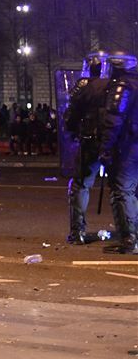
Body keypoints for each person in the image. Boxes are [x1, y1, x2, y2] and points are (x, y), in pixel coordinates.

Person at [64, 52, 110, 245]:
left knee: (80, 185)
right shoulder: (118, 85)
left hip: (90, 140)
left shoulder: (84, 87)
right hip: (115, 141)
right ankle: (130, 234)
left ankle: (78, 232)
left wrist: (72, 130)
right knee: (125, 188)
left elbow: (71, 114)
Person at [98, 52, 138, 254]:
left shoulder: (123, 86)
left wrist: (105, 147)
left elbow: (114, 119)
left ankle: (130, 239)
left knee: (124, 191)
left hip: (128, 146)